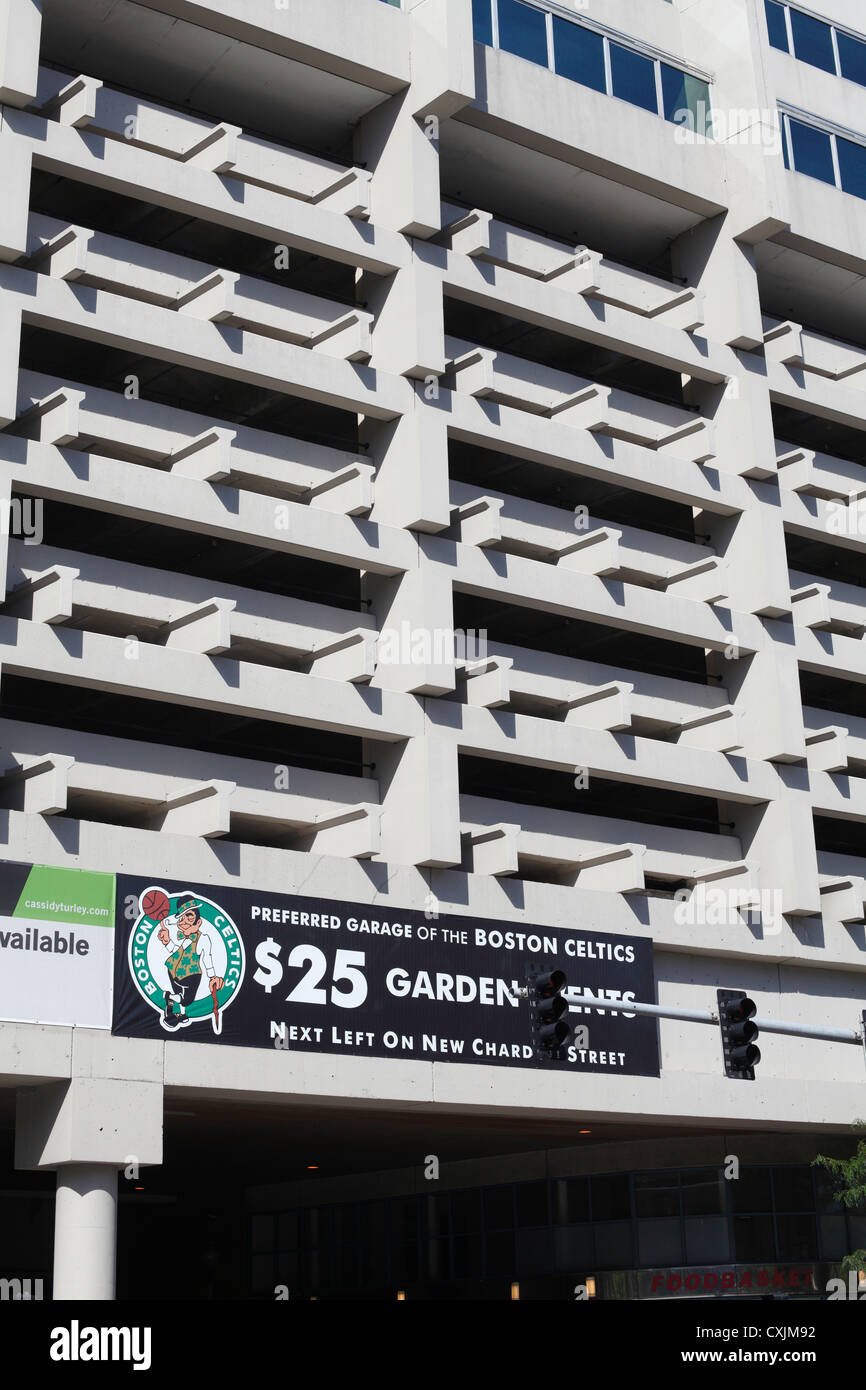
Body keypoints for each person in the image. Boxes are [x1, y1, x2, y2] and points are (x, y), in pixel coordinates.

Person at [157, 895, 224, 1030]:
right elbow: (176, 951)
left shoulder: (203, 939)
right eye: (182, 918)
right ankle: (176, 1006)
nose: (184, 921)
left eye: (189, 916)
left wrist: (212, 976)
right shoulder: (185, 939)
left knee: (187, 999)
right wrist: (167, 941)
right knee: (182, 997)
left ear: (198, 922)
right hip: (173, 970)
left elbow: (207, 958)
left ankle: (173, 1003)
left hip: (191, 974)